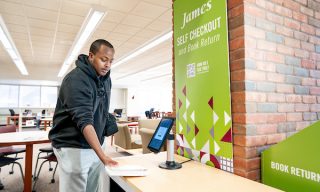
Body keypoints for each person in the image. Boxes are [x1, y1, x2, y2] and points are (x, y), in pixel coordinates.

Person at [49, 39, 118, 192]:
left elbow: (101, 108)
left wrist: (101, 147)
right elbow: (85, 121)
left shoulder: (106, 79)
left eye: (111, 61)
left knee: (92, 189)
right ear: (91, 56)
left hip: (96, 144)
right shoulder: (76, 80)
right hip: (74, 146)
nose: (107, 65)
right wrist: (103, 155)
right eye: (103, 59)